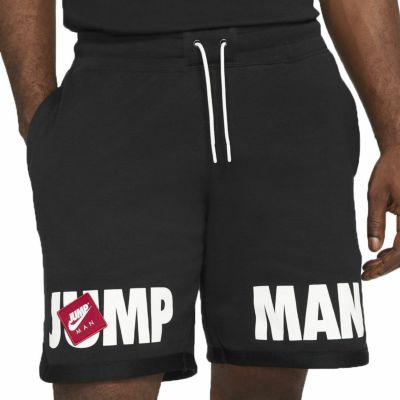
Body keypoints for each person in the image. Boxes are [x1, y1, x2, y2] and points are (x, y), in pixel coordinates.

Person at [1, 0, 400, 399]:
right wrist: (35, 111)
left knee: (267, 379)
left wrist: (396, 138)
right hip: (114, 94)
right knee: (102, 373)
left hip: (287, 95)